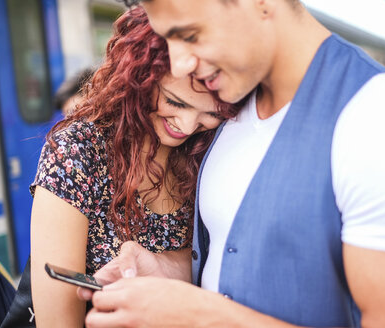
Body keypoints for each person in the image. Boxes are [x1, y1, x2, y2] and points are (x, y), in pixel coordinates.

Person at [80, 0, 385, 327]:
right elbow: (239, 257)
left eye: (190, 35)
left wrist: (199, 318)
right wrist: (162, 270)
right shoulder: (229, 108)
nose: (179, 64)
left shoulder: (379, 124)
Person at [27, 7, 236, 327]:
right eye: (175, 102)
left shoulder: (212, 152)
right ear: (137, 77)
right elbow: (56, 321)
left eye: (212, 114)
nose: (189, 125)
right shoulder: (79, 153)